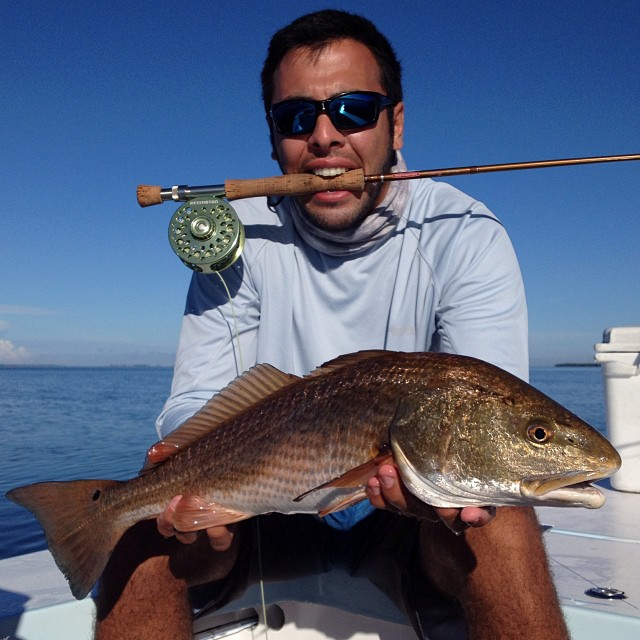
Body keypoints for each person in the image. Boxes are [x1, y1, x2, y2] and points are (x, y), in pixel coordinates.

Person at [95, 9, 569, 640]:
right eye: (296, 117)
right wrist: (189, 477)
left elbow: (487, 396)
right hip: (259, 504)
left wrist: (431, 486)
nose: (324, 137)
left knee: (504, 516)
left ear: (395, 122)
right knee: (135, 535)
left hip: (411, 510)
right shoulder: (239, 242)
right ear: (274, 140)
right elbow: (197, 399)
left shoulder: (465, 232)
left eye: (353, 109)